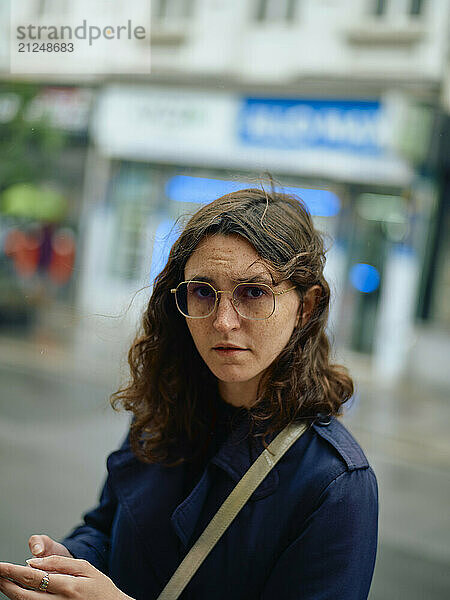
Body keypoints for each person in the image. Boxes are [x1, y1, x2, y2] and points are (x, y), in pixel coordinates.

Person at [0, 188, 378, 600]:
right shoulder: (164, 411)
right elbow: (108, 528)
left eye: (253, 292)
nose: (222, 321)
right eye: (202, 291)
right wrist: (71, 562)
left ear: (306, 307)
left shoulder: (335, 484)